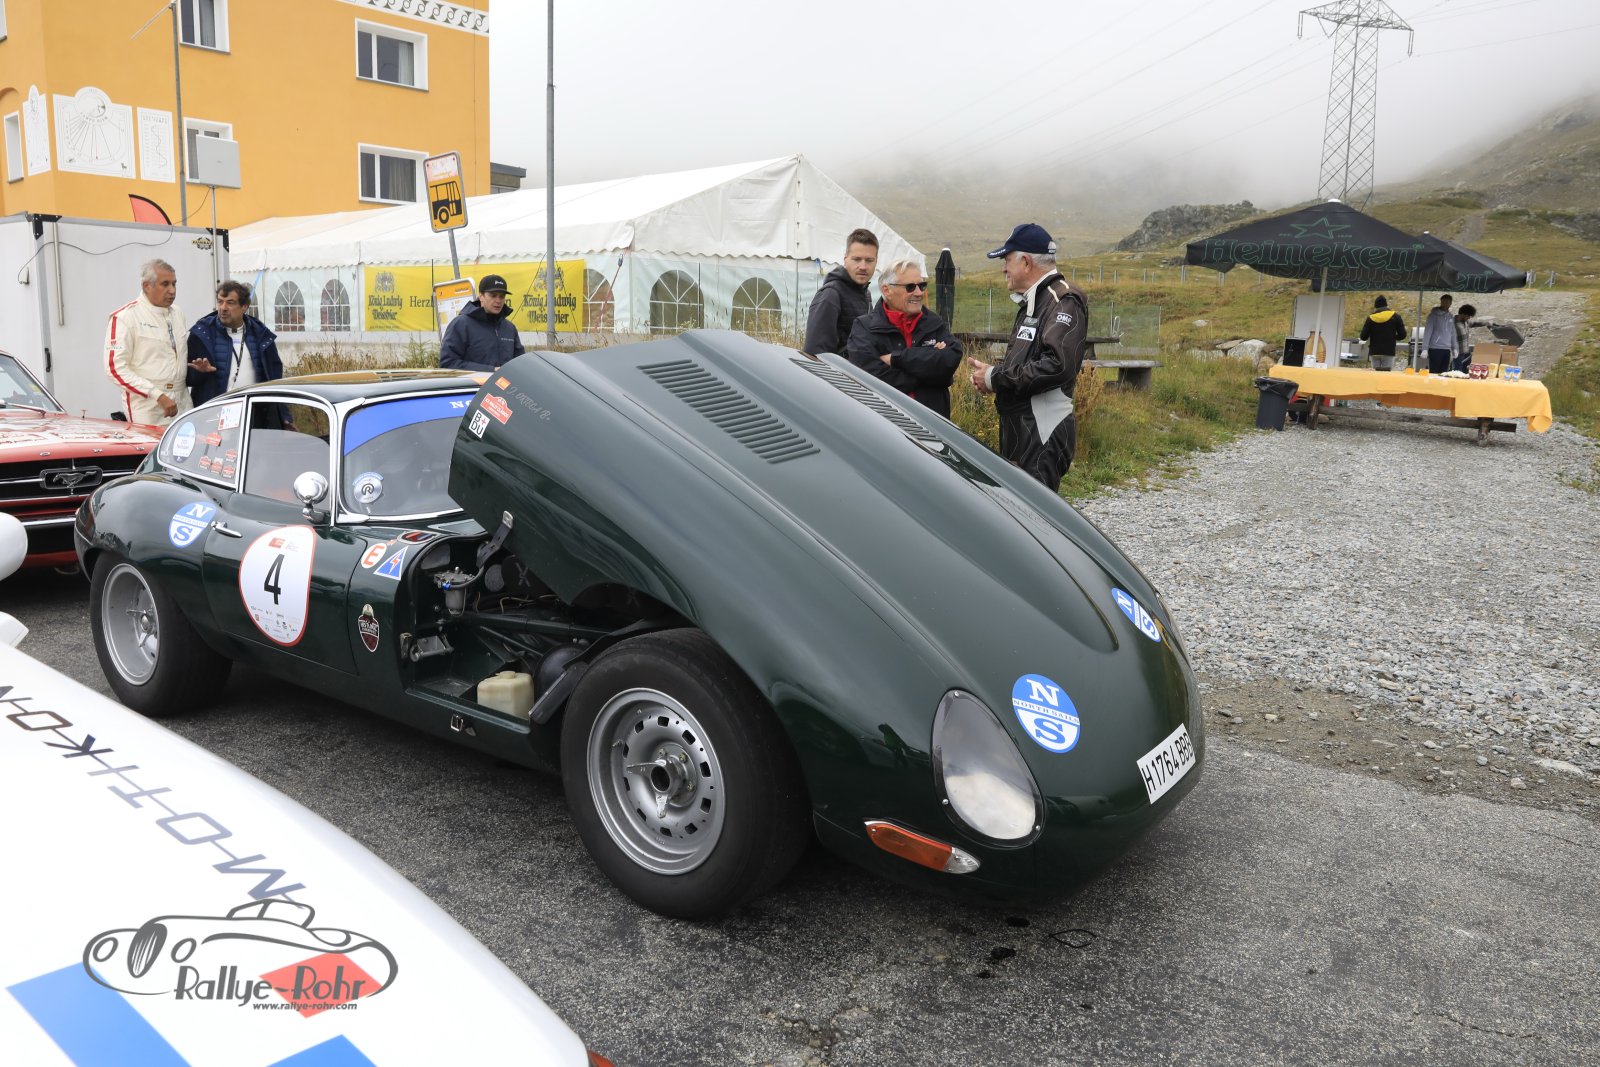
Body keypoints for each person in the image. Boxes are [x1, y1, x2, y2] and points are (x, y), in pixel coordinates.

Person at [965, 223, 1090, 490]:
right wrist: (992, 376)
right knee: (1015, 507)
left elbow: (1057, 366)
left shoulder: (1064, 300)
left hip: (1041, 431)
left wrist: (996, 377)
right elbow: (1027, 362)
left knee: (1034, 513)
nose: (1004, 268)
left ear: (1025, 262)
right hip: (1021, 428)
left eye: (1006, 260)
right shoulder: (1034, 300)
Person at [845, 259, 963, 418]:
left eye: (922, 285)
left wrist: (896, 359)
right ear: (887, 290)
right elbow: (871, 380)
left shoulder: (934, 323)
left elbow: (950, 359)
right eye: (910, 287)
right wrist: (929, 373)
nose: (919, 293)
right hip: (884, 425)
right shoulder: (864, 328)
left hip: (932, 425)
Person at [106, 259, 202, 425]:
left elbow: (168, 358)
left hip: (182, 400)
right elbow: (115, 368)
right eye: (165, 284)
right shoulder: (125, 317)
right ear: (146, 286)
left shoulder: (178, 313)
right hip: (147, 406)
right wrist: (157, 395)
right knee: (152, 444)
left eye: (174, 284)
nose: (172, 290)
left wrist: (197, 369)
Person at [187, 280, 285, 406]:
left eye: (230, 302)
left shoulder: (261, 334)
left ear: (244, 306)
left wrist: (281, 413)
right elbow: (186, 379)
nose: (223, 308)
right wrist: (199, 372)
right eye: (220, 301)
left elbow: (275, 378)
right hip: (214, 411)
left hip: (252, 411)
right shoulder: (202, 333)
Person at [803, 228, 878, 356]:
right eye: (857, 259)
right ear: (845, 259)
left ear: (876, 261)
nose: (863, 267)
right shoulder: (830, 295)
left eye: (869, 260)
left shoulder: (865, 293)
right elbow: (815, 353)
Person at [440, 274, 525, 372]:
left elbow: (520, 363)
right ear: (481, 296)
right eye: (493, 295)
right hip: (474, 382)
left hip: (505, 382)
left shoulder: (509, 328)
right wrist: (491, 370)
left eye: (502, 296)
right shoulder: (461, 324)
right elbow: (448, 363)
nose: (498, 301)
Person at [1358, 295, 1405, 371]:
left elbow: (1363, 337)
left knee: (1375, 374)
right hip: (1389, 351)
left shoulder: (1370, 318)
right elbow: (1403, 335)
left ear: (1376, 306)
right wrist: (1393, 337)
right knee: (1387, 375)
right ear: (1386, 305)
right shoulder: (1395, 316)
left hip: (1375, 351)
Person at [1421, 294, 1457, 375]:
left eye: (1448, 302)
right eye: (1444, 301)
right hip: (1435, 348)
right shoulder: (1433, 316)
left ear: (1450, 303)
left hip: (1447, 349)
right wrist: (1425, 349)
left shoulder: (1451, 316)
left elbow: (1453, 333)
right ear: (1441, 302)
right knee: (1434, 372)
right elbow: (1427, 332)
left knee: (1444, 373)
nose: (1445, 304)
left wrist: (1454, 348)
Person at [1453, 303, 1478, 373]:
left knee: (1466, 372)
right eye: (1468, 316)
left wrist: (1487, 323)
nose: (1469, 318)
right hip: (1457, 353)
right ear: (1463, 314)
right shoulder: (1452, 323)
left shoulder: (1466, 322)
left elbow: (1474, 323)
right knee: (1457, 372)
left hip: (1466, 352)